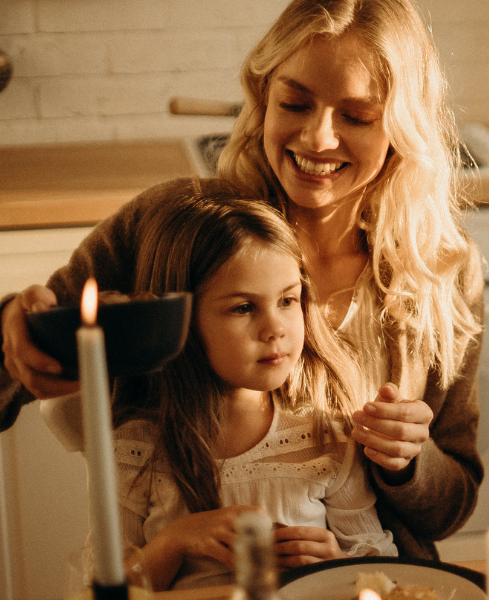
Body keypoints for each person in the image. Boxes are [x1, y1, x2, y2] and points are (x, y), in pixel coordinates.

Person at [0, 0, 483, 559]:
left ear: (403, 127)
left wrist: (411, 459)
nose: (318, 138)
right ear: (263, 96)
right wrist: (8, 338)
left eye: (357, 117)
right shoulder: (179, 228)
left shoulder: (438, 273)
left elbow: (449, 510)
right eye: (294, 102)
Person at [85, 191, 395, 590]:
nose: (275, 328)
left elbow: (378, 565)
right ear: (181, 320)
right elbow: (104, 587)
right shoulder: (135, 448)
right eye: (243, 308)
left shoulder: (325, 436)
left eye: (287, 300)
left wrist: (334, 563)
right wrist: (175, 541)